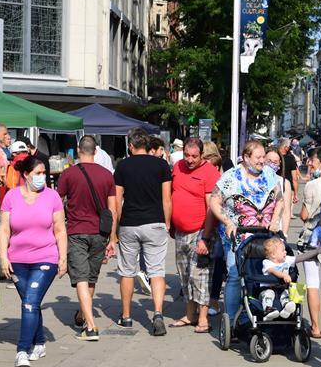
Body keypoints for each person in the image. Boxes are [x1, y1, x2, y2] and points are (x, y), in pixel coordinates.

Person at [0, 155, 67, 367]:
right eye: (38, 173)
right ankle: (39, 342)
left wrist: (63, 257)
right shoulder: (11, 197)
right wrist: (3, 257)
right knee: (32, 302)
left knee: (29, 302)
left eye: (44, 173)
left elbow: (60, 229)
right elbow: (4, 229)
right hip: (17, 260)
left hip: (45, 258)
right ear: (26, 175)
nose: (42, 177)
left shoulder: (52, 197)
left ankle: (22, 350)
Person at [210, 140, 284, 327]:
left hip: (264, 234)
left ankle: (258, 313)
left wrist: (275, 220)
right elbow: (214, 202)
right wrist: (227, 222)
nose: (262, 161)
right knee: (235, 275)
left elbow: (280, 200)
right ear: (246, 157)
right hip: (238, 235)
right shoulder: (231, 177)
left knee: (261, 274)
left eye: (263, 157)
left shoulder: (269, 174)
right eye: (258, 157)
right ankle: (232, 320)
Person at [57, 136, 117, 342]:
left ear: (78, 150)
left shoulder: (68, 174)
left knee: (81, 278)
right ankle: (83, 315)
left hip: (76, 232)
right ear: (96, 151)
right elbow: (113, 210)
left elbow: (57, 203)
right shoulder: (107, 175)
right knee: (91, 278)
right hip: (100, 233)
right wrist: (113, 238)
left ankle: (91, 327)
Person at [113, 128, 172, 335]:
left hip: (130, 222)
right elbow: (167, 198)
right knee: (156, 271)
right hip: (155, 222)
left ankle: (126, 316)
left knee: (127, 271)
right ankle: (158, 313)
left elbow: (117, 200)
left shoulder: (122, 166)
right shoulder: (161, 165)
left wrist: (118, 225)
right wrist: (167, 222)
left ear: (131, 146)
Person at [169, 137, 220, 333]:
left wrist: (205, 238)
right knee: (185, 276)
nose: (189, 160)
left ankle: (204, 319)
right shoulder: (178, 167)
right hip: (180, 232)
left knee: (200, 276)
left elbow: (211, 208)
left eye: (194, 156)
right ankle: (190, 315)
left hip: (200, 232)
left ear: (202, 155)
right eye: (186, 155)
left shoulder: (210, 172)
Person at [299, 147, 321, 339]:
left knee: (312, 284)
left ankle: (315, 327)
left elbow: (304, 215)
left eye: (312, 160)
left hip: (310, 239)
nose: (309, 164)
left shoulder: (312, 185)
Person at [202, 141, 227, 316]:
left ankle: (213, 299)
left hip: (220, 226)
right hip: (208, 223)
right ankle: (208, 299)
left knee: (217, 261)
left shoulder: (222, 178)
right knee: (211, 263)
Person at [263, 148, 291, 235]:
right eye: (269, 161)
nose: (271, 164)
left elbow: (286, 211)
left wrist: (284, 234)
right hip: (257, 227)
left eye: (275, 162)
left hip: (276, 230)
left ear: (280, 163)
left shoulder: (284, 183)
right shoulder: (254, 180)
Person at [277, 138, 299, 209]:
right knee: (287, 211)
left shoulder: (273, 156)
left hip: (274, 187)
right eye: (289, 146)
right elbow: (294, 178)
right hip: (288, 188)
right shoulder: (290, 158)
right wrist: (296, 194)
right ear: (286, 147)